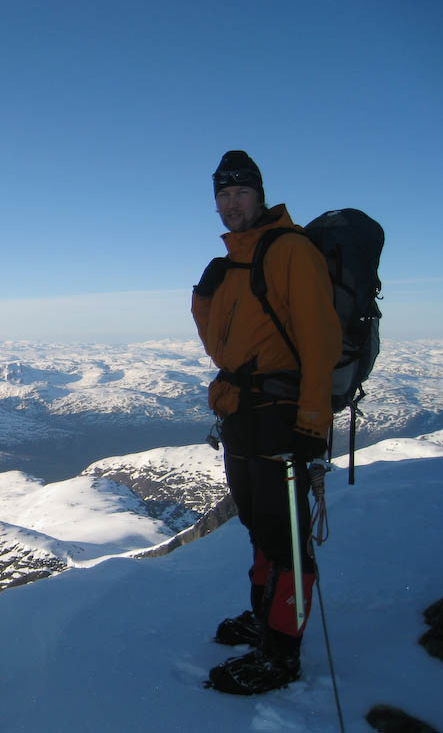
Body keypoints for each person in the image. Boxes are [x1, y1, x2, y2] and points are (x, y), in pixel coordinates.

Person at [191, 151, 342, 695]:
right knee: (259, 525)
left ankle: (282, 653)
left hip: (282, 415)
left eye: (241, 193)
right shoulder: (234, 262)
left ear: (260, 195)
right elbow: (223, 348)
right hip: (241, 413)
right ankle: (265, 618)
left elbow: (321, 341)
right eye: (223, 195)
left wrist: (312, 424)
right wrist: (202, 299)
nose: (232, 204)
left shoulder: (290, 251)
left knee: (288, 536)